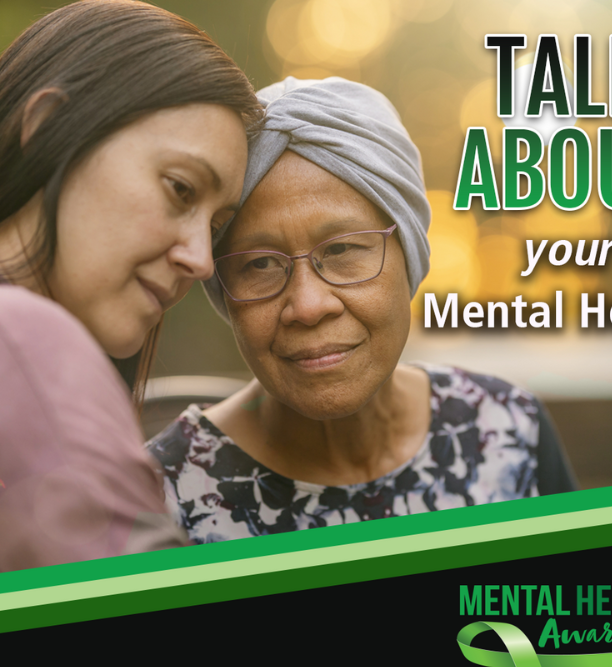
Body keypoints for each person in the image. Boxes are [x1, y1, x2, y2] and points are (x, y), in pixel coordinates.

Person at [147, 76, 578, 543]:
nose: (309, 306)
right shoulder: (158, 501)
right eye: (261, 263)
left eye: (342, 250)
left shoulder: (508, 429)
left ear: (409, 253)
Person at [0, 0, 263, 571]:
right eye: (180, 189)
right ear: (46, 128)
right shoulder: (24, 337)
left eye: (216, 228)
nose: (201, 261)